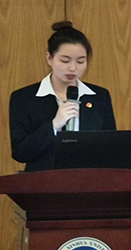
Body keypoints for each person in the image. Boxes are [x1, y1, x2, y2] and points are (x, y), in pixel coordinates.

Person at [9, 21, 117, 172]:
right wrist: (54, 125)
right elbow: (20, 152)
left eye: (80, 61)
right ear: (49, 58)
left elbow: (111, 146)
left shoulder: (99, 96)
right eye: (65, 60)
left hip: (90, 180)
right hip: (43, 181)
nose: (73, 68)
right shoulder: (24, 98)